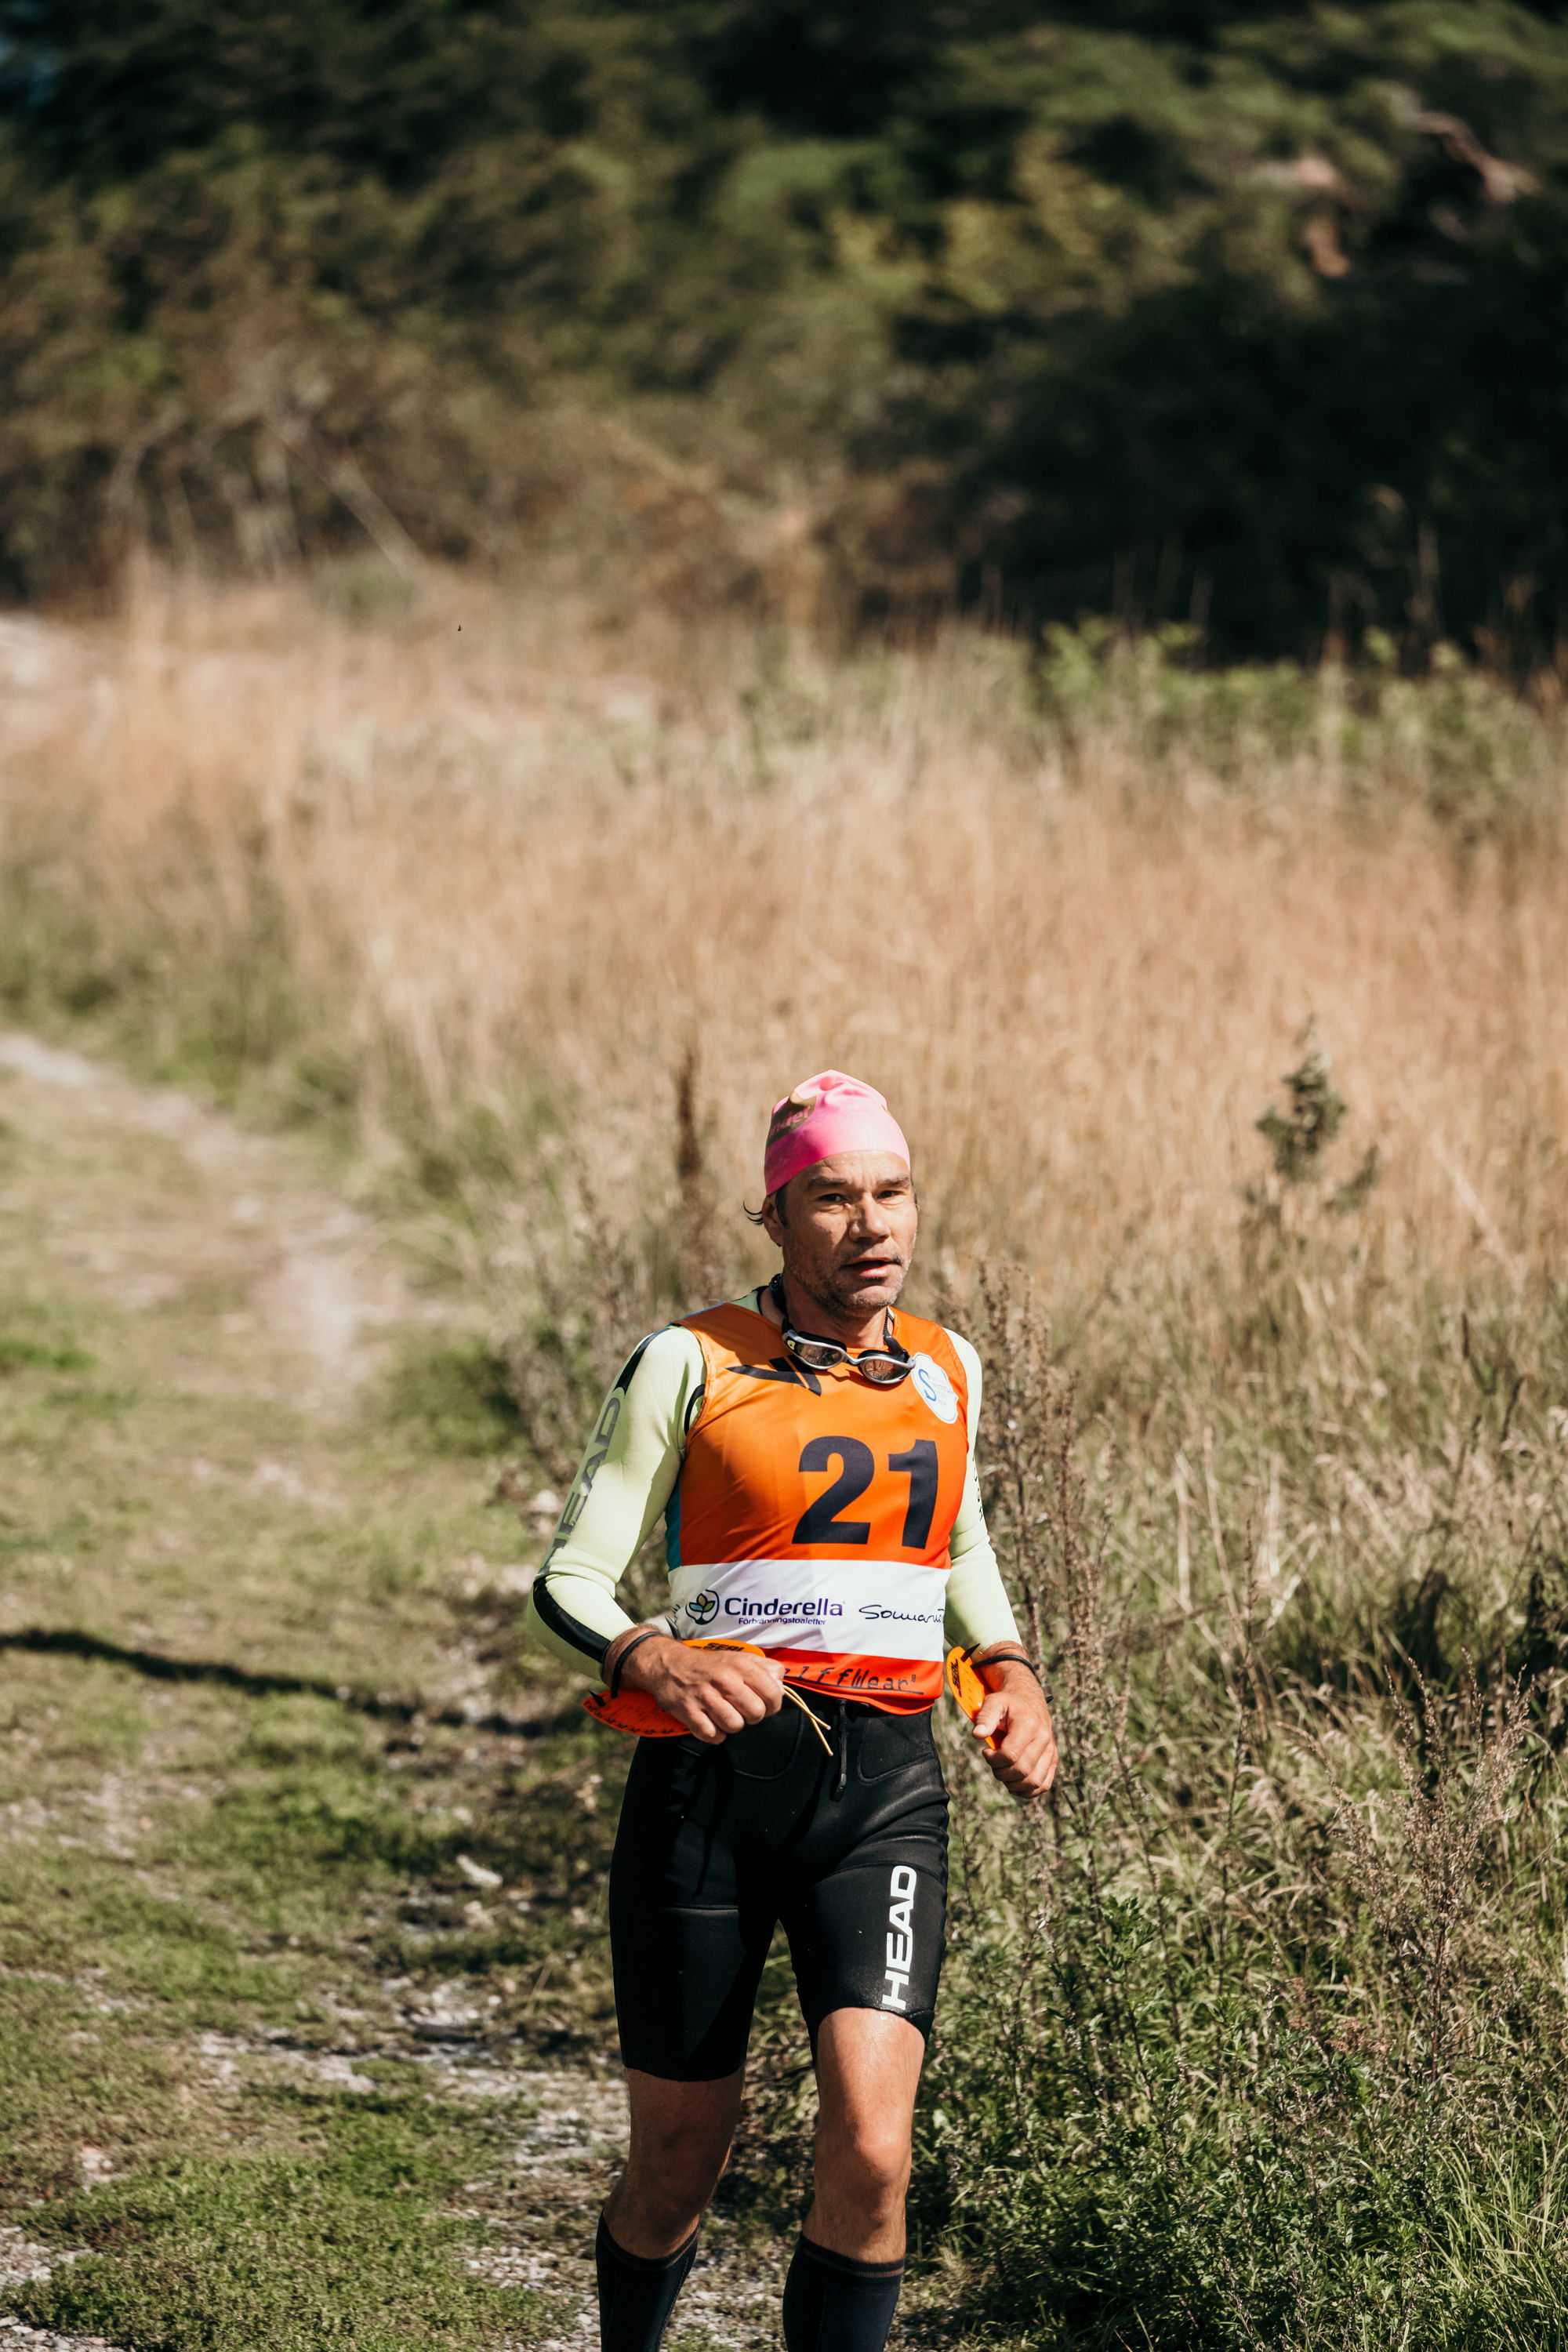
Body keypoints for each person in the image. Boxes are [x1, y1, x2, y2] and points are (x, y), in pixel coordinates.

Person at [525, 1070, 1058, 2352]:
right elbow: (569, 1580)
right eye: (831, 1198)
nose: (871, 1225)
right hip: (710, 1794)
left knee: (873, 2152)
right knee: (675, 2170)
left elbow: (958, 1543)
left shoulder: (949, 1367)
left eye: (892, 1193)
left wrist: (1008, 1667)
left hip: (883, 1794)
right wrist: (654, 1656)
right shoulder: (690, 1360)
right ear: (773, 1218)